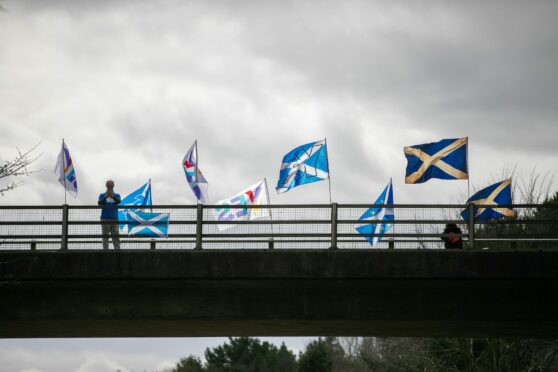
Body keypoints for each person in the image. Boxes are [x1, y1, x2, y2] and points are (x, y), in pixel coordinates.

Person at [98, 179, 121, 250]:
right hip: (104, 218)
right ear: (106, 186)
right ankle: (105, 250)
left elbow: (119, 201)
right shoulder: (102, 195)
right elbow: (99, 203)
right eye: (108, 185)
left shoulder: (117, 195)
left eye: (111, 185)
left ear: (113, 186)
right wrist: (106, 197)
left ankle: (117, 250)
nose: (110, 187)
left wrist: (113, 196)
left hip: (114, 218)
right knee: (105, 236)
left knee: (116, 236)